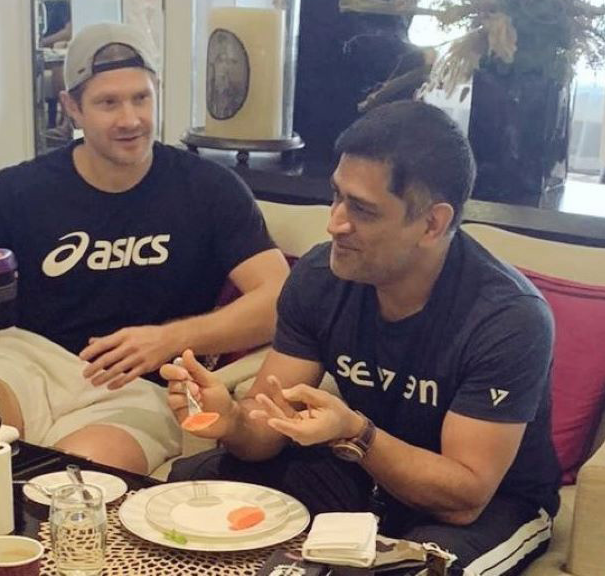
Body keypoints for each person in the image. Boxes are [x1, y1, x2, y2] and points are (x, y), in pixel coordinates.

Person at [162, 101, 561, 575]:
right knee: (196, 490)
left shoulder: (507, 318)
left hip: (494, 504)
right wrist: (231, 420)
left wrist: (355, 432)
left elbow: (464, 497)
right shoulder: (320, 276)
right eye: (337, 196)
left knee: (421, 568)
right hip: (365, 474)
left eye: (362, 210)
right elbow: (267, 424)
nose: (334, 222)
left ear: (432, 224)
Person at [0, 22, 290, 475]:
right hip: (26, 362)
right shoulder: (22, 188)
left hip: (139, 388)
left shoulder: (209, 188)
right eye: (108, 103)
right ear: (72, 108)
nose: (130, 119)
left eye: (141, 98)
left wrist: (171, 339)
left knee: (73, 485)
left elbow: (281, 301)